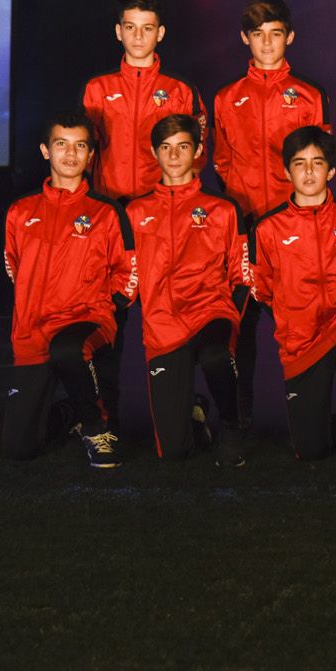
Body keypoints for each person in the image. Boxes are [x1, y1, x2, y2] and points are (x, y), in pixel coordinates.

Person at [211, 0, 330, 427]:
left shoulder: (311, 96)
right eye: (257, 35)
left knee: (301, 327)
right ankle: (238, 422)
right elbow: (222, 160)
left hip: (293, 225)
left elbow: (319, 162)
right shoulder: (227, 98)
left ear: (289, 37)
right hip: (244, 227)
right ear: (245, 38)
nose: (266, 43)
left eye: (275, 34)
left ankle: (308, 419)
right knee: (240, 330)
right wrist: (242, 204)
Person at [2, 110, 137, 467]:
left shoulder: (106, 212)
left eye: (80, 146)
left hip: (85, 320)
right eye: (62, 144)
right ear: (46, 151)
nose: (71, 154)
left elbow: (127, 271)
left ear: (91, 156)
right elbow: (14, 267)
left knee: (68, 348)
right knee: (19, 449)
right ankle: (70, 415)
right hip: (32, 331)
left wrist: (105, 309)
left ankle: (97, 430)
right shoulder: (20, 211)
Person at [248, 126, 336, 465]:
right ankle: (335, 423)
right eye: (299, 163)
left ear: (332, 170)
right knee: (310, 451)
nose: (309, 172)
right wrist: (290, 314)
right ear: (286, 171)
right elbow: (261, 287)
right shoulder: (267, 229)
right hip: (303, 338)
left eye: (317, 163)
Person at [125, 115, 246, 465]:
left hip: (211, 310)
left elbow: (241, 272)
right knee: (175, 452)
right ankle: (195, 415)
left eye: (182, 147)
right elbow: (126, 271)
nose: (174, 155)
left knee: (216, 355)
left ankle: (231, 425)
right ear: (153, 152)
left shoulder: (222, 209)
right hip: (162, 326)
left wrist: (231, 314)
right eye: (165, 147)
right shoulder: (135, 212)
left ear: (196, 152)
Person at [81, 0, 207, 202]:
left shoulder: (180, 89)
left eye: (147, 28)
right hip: (110, 201)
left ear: (160, 33)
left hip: (163, 204)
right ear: (119, 31)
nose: (138, 37)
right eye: (130, 27)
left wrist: (180, 194)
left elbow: (198, 147)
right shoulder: (98, 88)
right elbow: (84, 147)